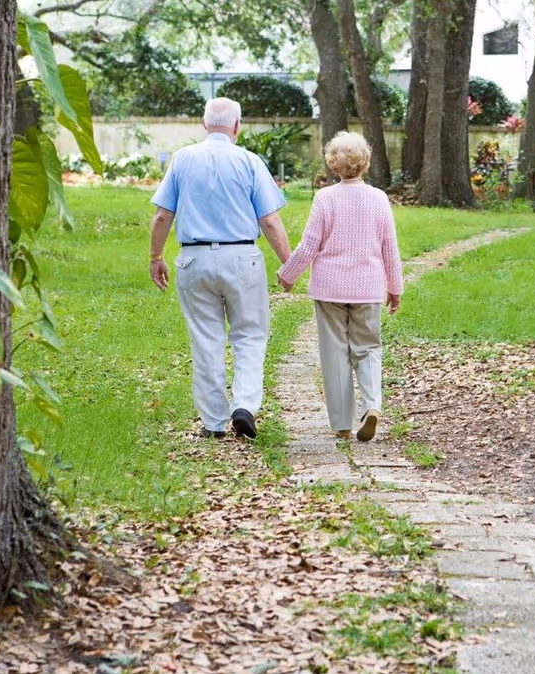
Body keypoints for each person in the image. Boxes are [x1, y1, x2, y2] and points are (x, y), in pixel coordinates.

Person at [148, 97, 291, 440]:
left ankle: (213, 423)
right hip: (242, 257)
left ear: (204, 123)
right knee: (250, 335)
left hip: (193, 259)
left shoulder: (182, 159)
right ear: (237, 126)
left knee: (206, 339)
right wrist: (290, 263)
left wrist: (156, 257)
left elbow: (162, 215)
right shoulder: (249, 161)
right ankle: (244, 405)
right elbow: (270, 222)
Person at [278, 132, 403, 442]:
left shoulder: (326, 198)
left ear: (333, 164)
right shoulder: (378, 199)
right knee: (368, 347)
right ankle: (372, 405)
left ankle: (342, 423)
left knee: (334, 352)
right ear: (366, 163)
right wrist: (395, 285)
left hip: (330, 288)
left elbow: (309, 244)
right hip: (369, 287)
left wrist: (288, 273)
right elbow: (390, 247)